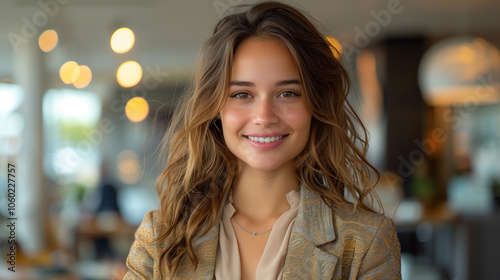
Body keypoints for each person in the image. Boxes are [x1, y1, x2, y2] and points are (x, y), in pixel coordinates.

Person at [124, 1, 401, 279]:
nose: (264, 116)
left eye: (288, 93)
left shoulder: (366, 241)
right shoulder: (161, 237)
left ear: (315, 106)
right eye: (242, 94)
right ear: (215, 108)